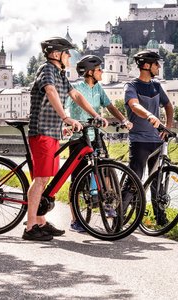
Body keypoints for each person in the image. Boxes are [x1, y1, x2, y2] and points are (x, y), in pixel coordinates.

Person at [23, 36, 102, 241]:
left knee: (46, 178)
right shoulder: (47, 69)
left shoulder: (60, 74)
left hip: (52, 131)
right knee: (40, 179)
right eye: (67, 53)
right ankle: (30, 227)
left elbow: (76, 95)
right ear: (57, 54)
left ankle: (40, 221)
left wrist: (95, 115)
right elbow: (50, 91)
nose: (70, 57)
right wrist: (66, 117)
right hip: (41, 130)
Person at [65, 55, 133, 232]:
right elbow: (65, 107)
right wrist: (68, 123)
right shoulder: (76, 88)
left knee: (106, 170)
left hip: (95, 135)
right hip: (78, 138)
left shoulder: (99, 88)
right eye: (99, 69)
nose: (102, 72)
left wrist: (124, 120)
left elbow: (110, 106)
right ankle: (75, 220)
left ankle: (109, 202)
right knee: (77, 179)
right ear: (89, 72)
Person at [123, 50, 174, 224]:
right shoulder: (131, 86)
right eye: (156, 63)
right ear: (146, 65)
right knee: (134, 180)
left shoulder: (156, 85)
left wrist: (167, 127)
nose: (159, 66)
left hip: (157, 141)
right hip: (139, 141)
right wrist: (150, 115)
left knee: (157, 182)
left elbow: (168, 105)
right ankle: (118, 218)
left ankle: (160, 218)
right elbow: (134, 105)